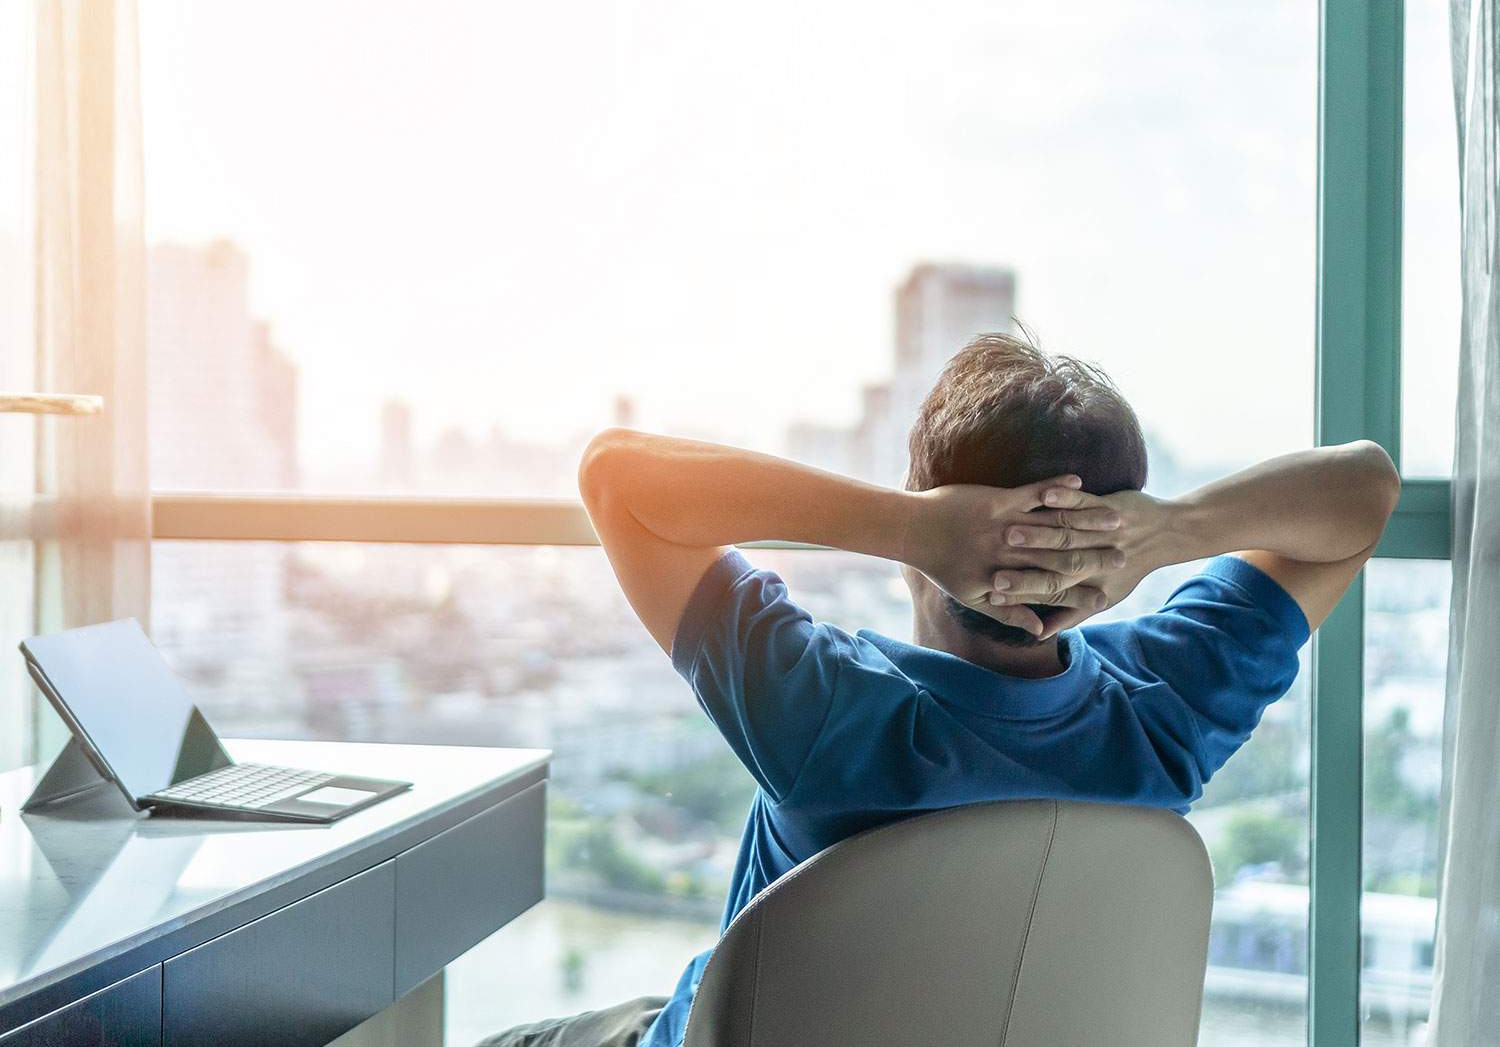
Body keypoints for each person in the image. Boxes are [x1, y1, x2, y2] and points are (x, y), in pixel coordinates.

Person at [480, 332, 1400, 1047]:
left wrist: (908, 527)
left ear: (927, 507)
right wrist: (1165, 532)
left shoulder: (827, 712)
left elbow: (615, 476)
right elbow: (1366, 488)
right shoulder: (1165, 710)